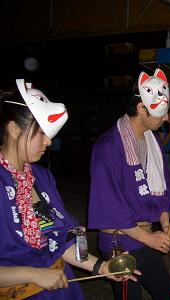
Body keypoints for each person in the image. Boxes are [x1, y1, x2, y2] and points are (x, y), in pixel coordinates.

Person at [0, 79, 139, 300]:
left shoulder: (41, 177)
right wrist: (33, 274)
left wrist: (101, 267)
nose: (48, 141)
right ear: (14, 129)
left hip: (61, 288)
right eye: (41, 133)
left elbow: (62, 240)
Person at [88, 69, 170, 300]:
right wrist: (148, 238)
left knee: (167, 292)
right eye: (161, 112)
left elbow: (163, 188)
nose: (164, 119)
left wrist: (166, 225)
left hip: (145, 237)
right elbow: (108, 204)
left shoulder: (153, 142)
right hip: (118, 241)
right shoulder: (108, 147)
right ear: (141, 108)